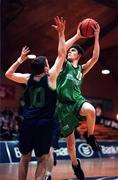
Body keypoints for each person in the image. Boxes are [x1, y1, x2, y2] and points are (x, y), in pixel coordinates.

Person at [5, 16, 66, 180]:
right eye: (48, 63)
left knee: (24, 158)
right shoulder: (51, 77)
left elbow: (8, 74)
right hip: (44, 124)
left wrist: (20, 59)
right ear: (46, 68)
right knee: (42, 159)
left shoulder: (27, 78)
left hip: (27, 123)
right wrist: (61, 33)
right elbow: (62, 55)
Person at [56, 22, 101, 180]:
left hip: (77, 101)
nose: (69, 51)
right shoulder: (64, 65)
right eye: (70, 50)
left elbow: (95, 57)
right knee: (70, 144)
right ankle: (75, 164)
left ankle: (90, 136)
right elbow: (61, 50)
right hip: (63, 107)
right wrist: (76, 35)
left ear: (79, 55)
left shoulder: (81, 69)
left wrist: (96, 36)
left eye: (73, 50)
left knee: (91, 110)